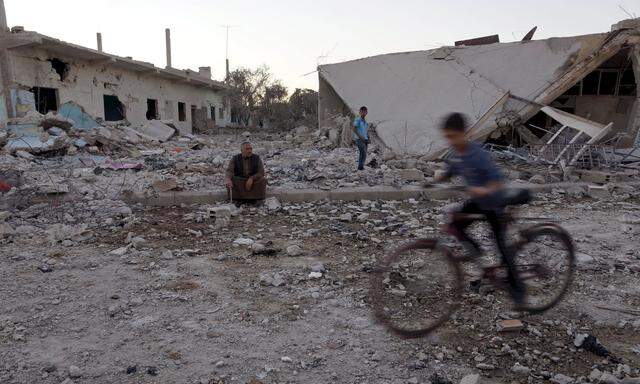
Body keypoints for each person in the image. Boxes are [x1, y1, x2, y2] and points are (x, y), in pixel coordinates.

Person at [434, 112, 525, 307]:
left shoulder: (478, 154)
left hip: (494, 203)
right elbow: (451, 170)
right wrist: (434, 181)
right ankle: (481, 257)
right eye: (447, 137)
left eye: (453, 136)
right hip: (478, 201)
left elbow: (497, 181)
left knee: (501, 246)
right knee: (455, 225)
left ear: (463, 133)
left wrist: (482, 189)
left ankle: (518, 291)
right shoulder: (457, 154)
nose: (450, 141)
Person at [352, 106, 369, 171]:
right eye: (362, 111)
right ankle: (360, 167)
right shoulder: (358, 119)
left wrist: (367, 137)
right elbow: (354, 129)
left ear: (366, 112)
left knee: (364, 154)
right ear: (359, 112)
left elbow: (365, 130)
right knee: (363, 153)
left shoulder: (365, 121)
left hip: (365, 139)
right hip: (359, 139)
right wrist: (361, 137)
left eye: (365, 111)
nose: (363, 113)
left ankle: (361, 166)